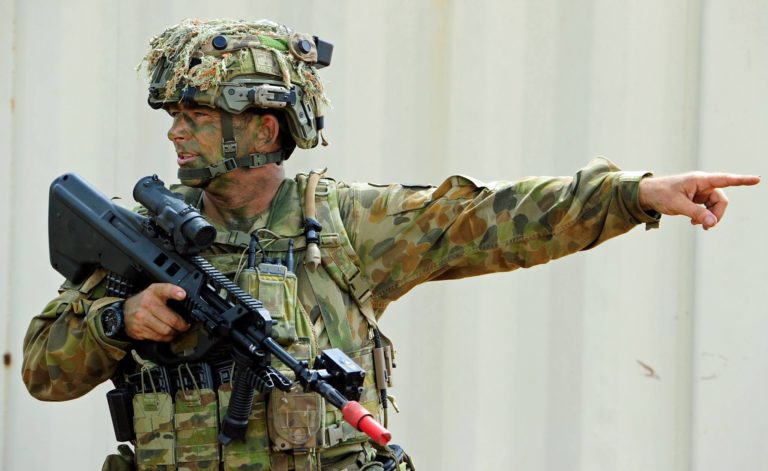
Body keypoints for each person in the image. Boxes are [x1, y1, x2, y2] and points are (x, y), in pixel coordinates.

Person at [21, 19, 759, 471]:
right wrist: (119, 321)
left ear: (264, 127)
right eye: (174, 114)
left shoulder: (344, 223)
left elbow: (496, 217)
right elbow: (40, 369)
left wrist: (633, 193)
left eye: (197, 115)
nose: (176, 131)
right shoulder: (142, 238)